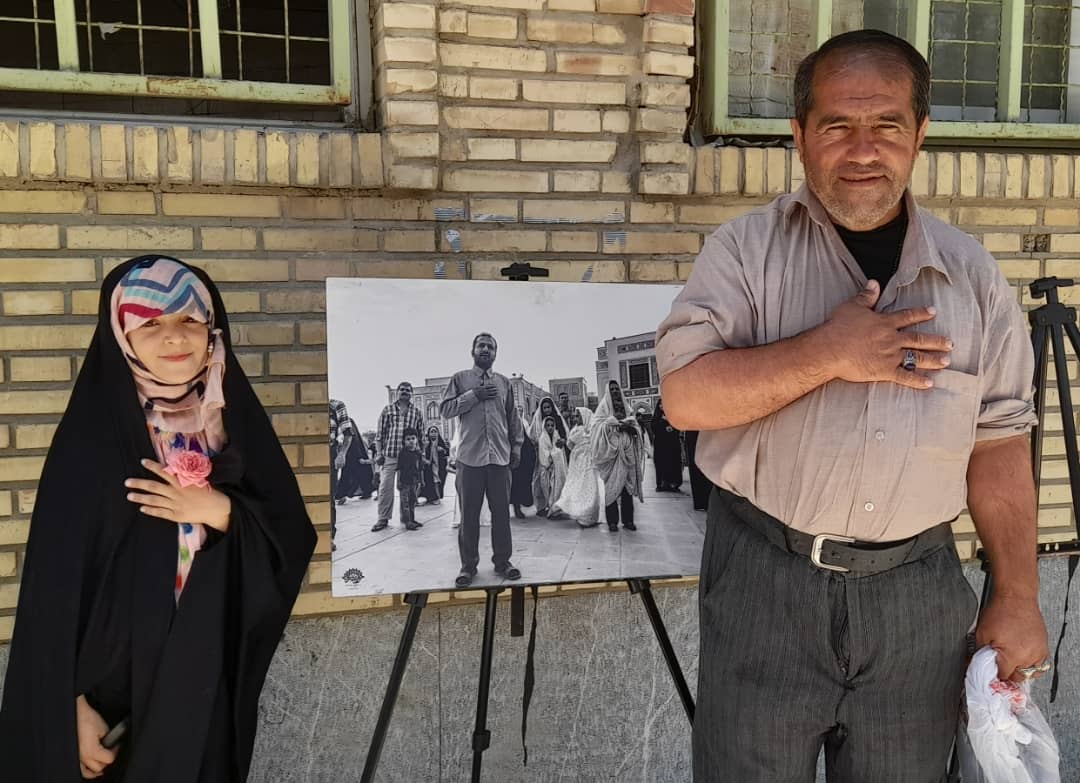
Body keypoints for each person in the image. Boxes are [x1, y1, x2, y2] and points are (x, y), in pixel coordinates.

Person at [655, 30, 1049, 782]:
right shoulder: (744, 253)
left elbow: (999, 442)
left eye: (887, 126)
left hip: (916, 597)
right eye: (837, 125)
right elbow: (684, 396)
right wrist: (826, 353)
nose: (863, 150)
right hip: (766, 583)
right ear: (800, 135)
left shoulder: (973, 278)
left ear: (920, 134)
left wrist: (1019, 594)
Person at [0, 255, 316, 782]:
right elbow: (51, 594)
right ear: (121, 336)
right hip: (108, 698)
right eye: (150, 323)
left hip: (201, 679)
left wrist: (220, 511)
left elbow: (290, 539)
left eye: (189, 318)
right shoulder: (90, 441)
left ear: (212, 328)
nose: (174, 336)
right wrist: (67, 703)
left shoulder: (234, 428)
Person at [440, 333, 524, 587]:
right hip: (469, 460)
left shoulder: (504, 383)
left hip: (499, 459)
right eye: (481, 345)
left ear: (496, 353)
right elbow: (445, 410)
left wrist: (516, 447)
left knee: (501, 515)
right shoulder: (460, 379)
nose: (485, 349)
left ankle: (503, 562)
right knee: (469, 517)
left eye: (490, 347)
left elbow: (512, 417)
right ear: (473, 350)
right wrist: (473, 395)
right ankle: (468, 566)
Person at [592, 380, 644, 532]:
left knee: (627, 489)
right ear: (608, 392)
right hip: (611, 456)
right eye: (612, 389)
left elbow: (636, 429)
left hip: (627, 454)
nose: (615, 391)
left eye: (616, 389)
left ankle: (628, 521)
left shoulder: (627, 409)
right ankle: (612, 522)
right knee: (611, 489)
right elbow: (595, 429)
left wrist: (628, 426)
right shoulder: (602, 409)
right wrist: (612, 423)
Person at [373, 381, 424, 531]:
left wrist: (420, 454)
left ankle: (407, 519)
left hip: (409, 458)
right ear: (397, 392)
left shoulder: (416, 412)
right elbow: (380, 435)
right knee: (385, 488)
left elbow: (421, 435)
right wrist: (379, 453)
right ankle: (383, 518)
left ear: (411, 393)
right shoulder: (388, 410)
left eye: (408, 390)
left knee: (408, 490)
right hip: (390, 454)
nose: (405, 391)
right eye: (402, 389)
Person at [551, 407, 600, 527]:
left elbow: (570, 443)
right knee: (587, 486)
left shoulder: (580, 430)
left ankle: (584, 513)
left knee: (582, 485)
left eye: (578, 416)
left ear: (585, 417)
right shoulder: (587, 430)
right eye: (575, 416)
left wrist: (567, 442)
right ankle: (587, 515)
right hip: (582, 461)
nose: (576, 418)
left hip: (583, 461)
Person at [528, 396, 568, 516]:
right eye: (544, 408)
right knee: (541, 481)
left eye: (548, 407)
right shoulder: (538, 419)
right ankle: (541, 506)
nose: (547, 410)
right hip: (541, 455)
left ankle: (556, 506)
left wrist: (562, 441)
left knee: (557, 481)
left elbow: (564, 435)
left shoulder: (558, 419)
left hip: (557, 455)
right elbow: (532, 436)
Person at [328, 398, 355, 546]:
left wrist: (342, 454)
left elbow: (348, 433)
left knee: (329, 496)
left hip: (329, 452)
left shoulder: (336, 405)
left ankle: (329, 536)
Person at [336, 416, 374, 503]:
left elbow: (353, 439)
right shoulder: (348, 422)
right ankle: (343, 494)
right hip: (352, 453)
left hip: (353, 454)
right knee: (357, 473)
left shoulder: (347, 422)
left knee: (350, 474)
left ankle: (342, 495)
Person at [538, 417, 568, 519]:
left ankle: (556, 510)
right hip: (547, 468)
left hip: (557, 468)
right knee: (549, 490)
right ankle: (550, 508)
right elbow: (544, 453)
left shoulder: (556, 435)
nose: (550, 427)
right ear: (544, 427)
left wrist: (557, 451)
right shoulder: (542, 438)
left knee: (557, 489)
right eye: (548, 425)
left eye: (552, 425)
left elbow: (560, 450)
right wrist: (551, 459)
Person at [650, 399, 684, 492]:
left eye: (664, 404)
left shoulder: (673, 415)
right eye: (660, 404)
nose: (662, 406)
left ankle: (674, 484)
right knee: (661, 464)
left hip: (672, 444)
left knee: (673, 463)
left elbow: (678, 426)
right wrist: (664, 427)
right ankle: (662, 484)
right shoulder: (656, 417)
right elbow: (654, 427)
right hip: (661, 445)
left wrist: (671, 426)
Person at [510, 408, 538, 519]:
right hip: (509, 457)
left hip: (521, 459)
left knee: (519, 483)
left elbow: (525, 442)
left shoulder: (519, 424)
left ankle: (518, 506)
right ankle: (515, 507)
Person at [395, 428, 425, 531]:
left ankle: (412, 519)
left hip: (414, 482)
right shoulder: (402, 453)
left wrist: (421, 480)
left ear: (416, 439)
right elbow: (399, 468)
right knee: (405, 502)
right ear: (404, 441)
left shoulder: (418, 453)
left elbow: (420, 468)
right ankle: (407, 521)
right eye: (408, 439)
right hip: (404, 482)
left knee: (413, 501)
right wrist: (398, 481)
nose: (411, 441)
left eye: (413, 438)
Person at [420, 425, 449, 505]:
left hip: (439, 467)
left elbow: (447, 453)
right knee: (431, 482)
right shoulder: (427, 445)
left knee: (438, 482)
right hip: (430, 467)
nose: (433, 433)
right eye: (431, 432)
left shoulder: (441, 444)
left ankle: (437, 498)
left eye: (435, 431)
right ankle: (433, 498)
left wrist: (442, 450)